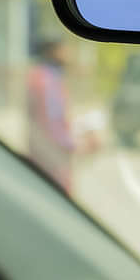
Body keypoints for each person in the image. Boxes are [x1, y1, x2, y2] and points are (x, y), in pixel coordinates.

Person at [26, 37, 90, 192]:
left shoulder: (40, 76)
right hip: (51, 158)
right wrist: (75, 144)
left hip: (43, 153)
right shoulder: (47, 81)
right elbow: (52, 120)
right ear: (52, 52)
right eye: (64, 50)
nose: (68, 54)